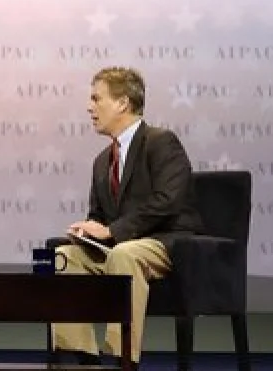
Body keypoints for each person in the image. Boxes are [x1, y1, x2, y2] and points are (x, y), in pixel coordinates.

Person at [51, 67, 203, 370]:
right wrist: (87, 232)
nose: (89, 107)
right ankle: (78, 358)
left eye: (97, 98)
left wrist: (111, 231)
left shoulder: (161, 142)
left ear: (123, 103)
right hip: (123, 243)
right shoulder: (101, 162)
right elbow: (98, 216)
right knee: (62, 257)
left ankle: (121, 359)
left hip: (166, 242)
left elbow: (168, 201)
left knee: (124, 253)